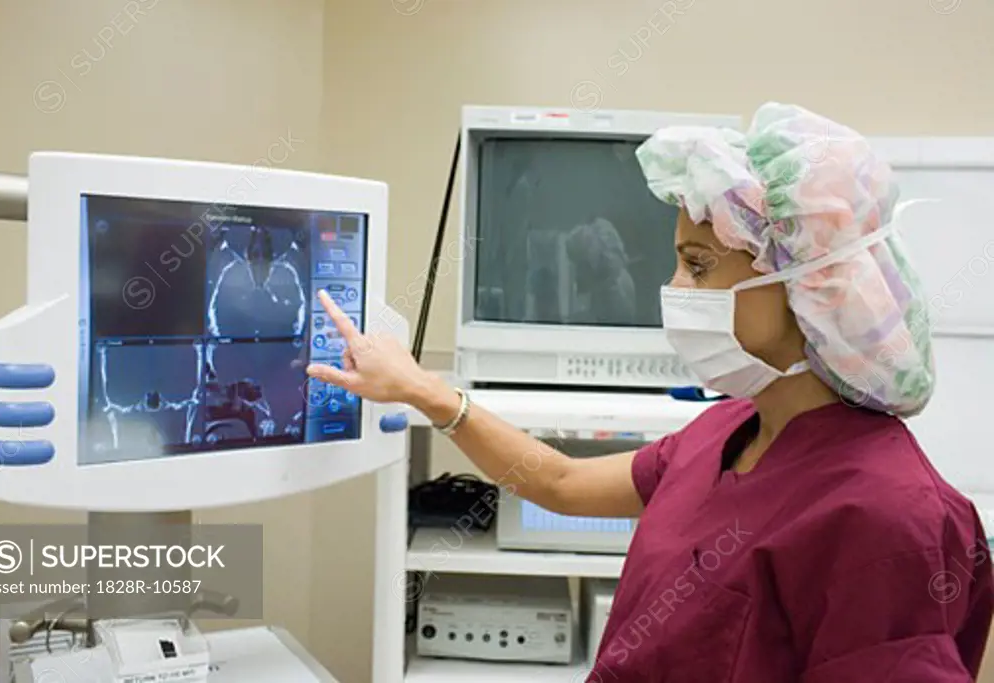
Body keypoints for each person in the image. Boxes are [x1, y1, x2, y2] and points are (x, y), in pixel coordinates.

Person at [306, 102, 993, 682]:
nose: (673, 289)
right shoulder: (730, 429)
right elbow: (563, 481)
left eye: (697, 266)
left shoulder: (884, 518)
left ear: (810, 286)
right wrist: (427, 392)